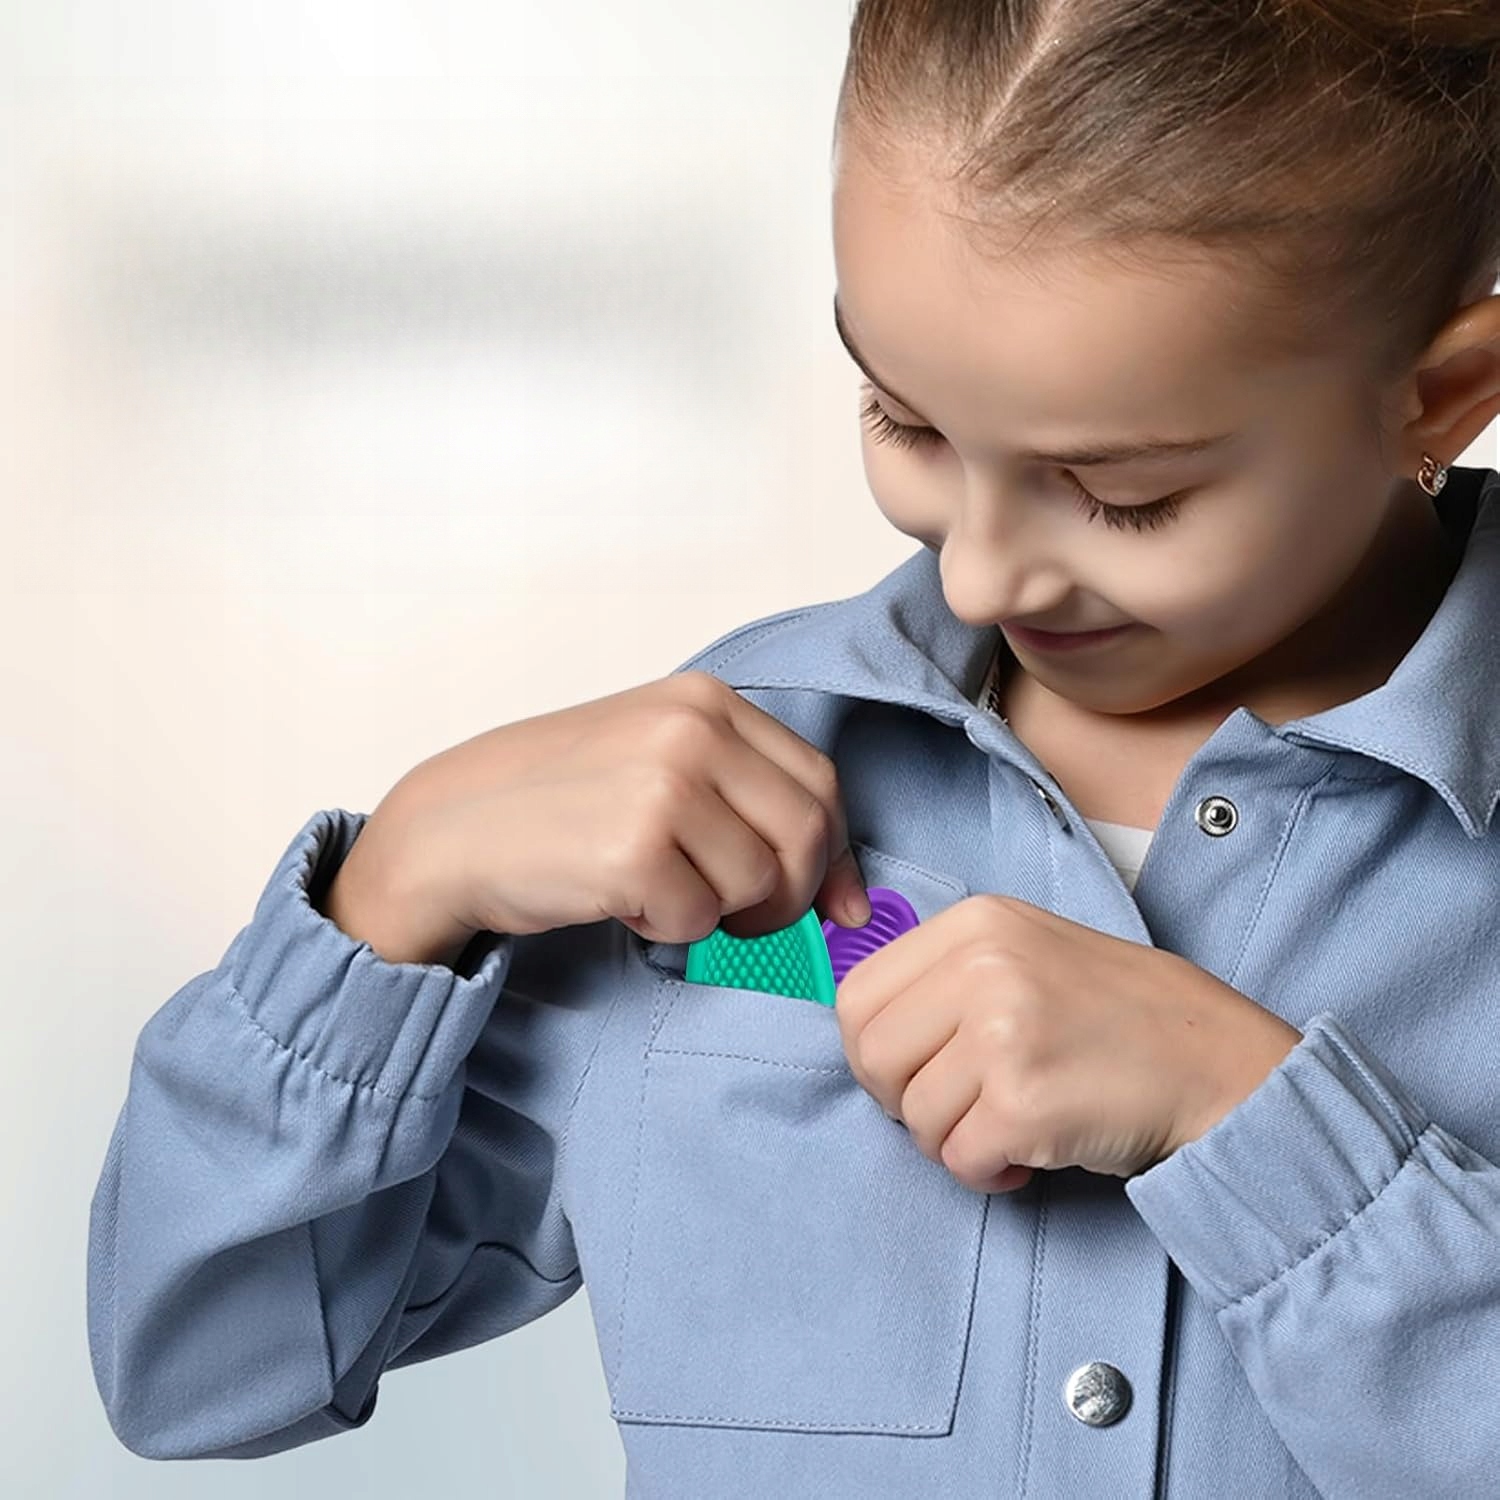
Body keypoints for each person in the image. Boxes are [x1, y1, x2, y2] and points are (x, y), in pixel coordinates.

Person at [87, 3, 1500, 1495]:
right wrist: (395, 894)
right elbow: (199, 1367)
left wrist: (1254, 1126)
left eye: (1121, 495)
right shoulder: (720, 808)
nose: (979, 578)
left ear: (1439, 397)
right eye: (905, 420)